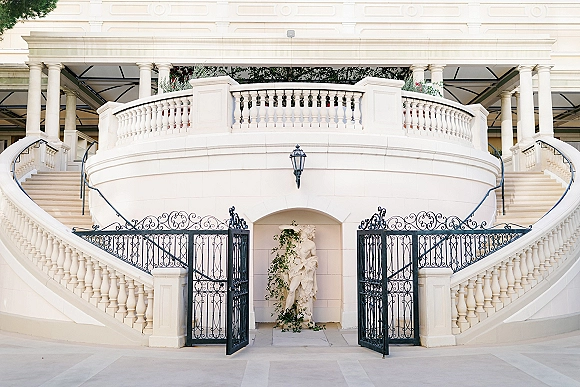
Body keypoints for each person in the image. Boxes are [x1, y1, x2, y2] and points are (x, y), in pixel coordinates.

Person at [279, 224, 318, 325]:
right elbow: (281, 227)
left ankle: (286, 313)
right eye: (304, 228)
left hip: (300, 269)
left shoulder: (311, 244)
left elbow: (314, 258)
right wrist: (293, 228)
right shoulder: (294, 239)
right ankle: (288, 313)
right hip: (289, 268)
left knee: (291, 290)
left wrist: (305, 262)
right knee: (289, 290)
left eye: (307, 229)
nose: (304, 230)